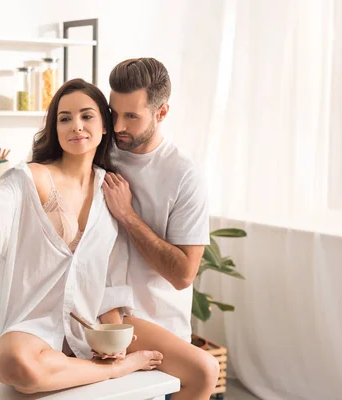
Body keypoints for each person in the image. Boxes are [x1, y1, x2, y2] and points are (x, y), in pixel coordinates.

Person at [0, 78, 163, 395]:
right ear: (55, 128)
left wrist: (111, 335)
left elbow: (110, 275)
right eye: (65, 118)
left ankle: (99, 365)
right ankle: (115, 372)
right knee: (11, 363)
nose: (76, 126)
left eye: (87, 116)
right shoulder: (28, 177)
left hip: (84, 329)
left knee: (28, 375)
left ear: (104, 127)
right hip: (34, 327)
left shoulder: (111, 189)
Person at [102, 58, 220, 399]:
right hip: (104, 319)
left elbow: (184, 274)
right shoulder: (101, 152)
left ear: (162, 112)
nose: (118, 125)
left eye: (131, 116)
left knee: (203, 372)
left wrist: (127, 215)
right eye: (114, 113)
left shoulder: (184, 175)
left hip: (161, 326)